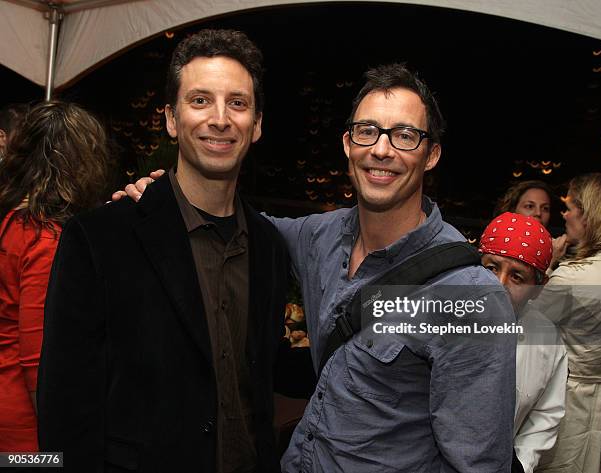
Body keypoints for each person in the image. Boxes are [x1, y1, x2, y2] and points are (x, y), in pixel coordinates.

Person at [122, 63, 517, 472]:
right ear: (348, 143)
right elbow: (239, 226)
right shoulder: (321, 237)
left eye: (404, 135)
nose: (382, 150)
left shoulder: (470, 297)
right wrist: (167, 197)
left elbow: (480, 464)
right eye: (368, 131)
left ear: (431, 154)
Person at [37, 29, 295, 473]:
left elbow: (263, 372)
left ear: (256, 125)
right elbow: (64, 404)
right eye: (200, 101)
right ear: (171, 120)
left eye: (237, 103)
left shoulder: (269, 246)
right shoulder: (98, 239)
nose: (220, 119)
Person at [0, 101, 111, 452]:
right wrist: (57, 445)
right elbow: (38, 360)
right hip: (27, 432)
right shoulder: (46, 241)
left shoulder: (15, 222)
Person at [479, 212, 568, 473]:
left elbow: (546, 413)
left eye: (517, 277)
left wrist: (521, 463)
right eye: (491, 268)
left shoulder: (548, 340)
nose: (499, 284)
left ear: (538, 288)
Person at [535, 173, 601, 473]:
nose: (563, 214)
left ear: (589, 213)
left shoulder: (572, 277)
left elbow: (520, 326)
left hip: (566, 402)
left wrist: (547, 263)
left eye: (570, 206)